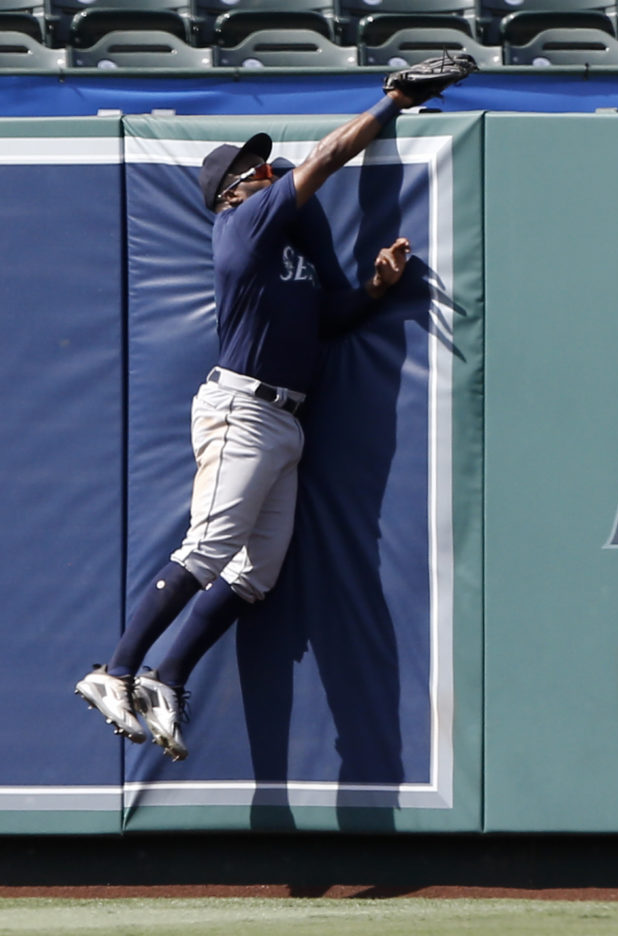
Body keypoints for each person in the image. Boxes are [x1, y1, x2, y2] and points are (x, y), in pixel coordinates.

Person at [75, 86, 416, 762]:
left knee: (255, 574)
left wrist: (374, 290)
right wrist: (393, 104)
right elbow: (326, 156)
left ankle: (166, 680)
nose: (270, 172)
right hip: (244, 409)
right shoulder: (245, 224)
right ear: (236, 192)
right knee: (205, 551)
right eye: (256, 170)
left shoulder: (286, 252)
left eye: (267, 168)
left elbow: (328, 322)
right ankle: (113, 670)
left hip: (283, 421)